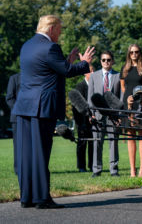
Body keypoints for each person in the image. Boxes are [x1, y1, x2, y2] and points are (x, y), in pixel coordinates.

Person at [12, 15, 94, 209]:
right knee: (40, 153)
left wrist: (67, 60)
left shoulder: (27, 46)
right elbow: (66, 71)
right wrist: (85, 63)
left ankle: (27, 198)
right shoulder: (50, 47)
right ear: (51, 29)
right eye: (60, 29)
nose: (61, 33)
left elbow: (47, 70)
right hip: (42, 108)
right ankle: (42, 199)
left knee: (27, 155)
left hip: (24, 107)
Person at [120, 44, 142, 178]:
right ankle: (132, 170)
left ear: (140, 53)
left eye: (137, 52)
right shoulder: (124, 68)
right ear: (128, 54)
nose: (134, 54)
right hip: (128, 104)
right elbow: (123, 87)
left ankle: (141, 170)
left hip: (141, 104)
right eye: (132, 52)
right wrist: (128, 99)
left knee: (141, 136)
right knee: (130, 136)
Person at [88, 51, 121, 178]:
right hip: (97, 114)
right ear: (100, 62)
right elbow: (90, 96)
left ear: (112, 61)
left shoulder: (118, 76)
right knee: (97, 141)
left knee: (113, 141)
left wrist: (118, 115)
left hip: (112, 115)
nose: (106, 62)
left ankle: (114, 170)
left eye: (108, 60)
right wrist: (91, 113)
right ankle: (96, 170)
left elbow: (120, 97)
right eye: (103, 60)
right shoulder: (94, 76)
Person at [71, 65, 94, 173]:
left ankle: (92, 165)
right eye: (90, 71)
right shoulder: (79, 86)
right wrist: (80, 122)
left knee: (93, 143)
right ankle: (81, 166)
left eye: (93, 71)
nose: (92, 73)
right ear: (85, 73)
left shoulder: (95, 86)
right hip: (82, 120)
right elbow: (76, 105)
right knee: (82, 143)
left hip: (93, 120)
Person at [6, 72, 20, 175]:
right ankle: (18, 169)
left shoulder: (35, 77)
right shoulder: (14, 78)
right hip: (17, 118)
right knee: (18, 145)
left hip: (33, 117)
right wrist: (21, 111)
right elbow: (9, 98)